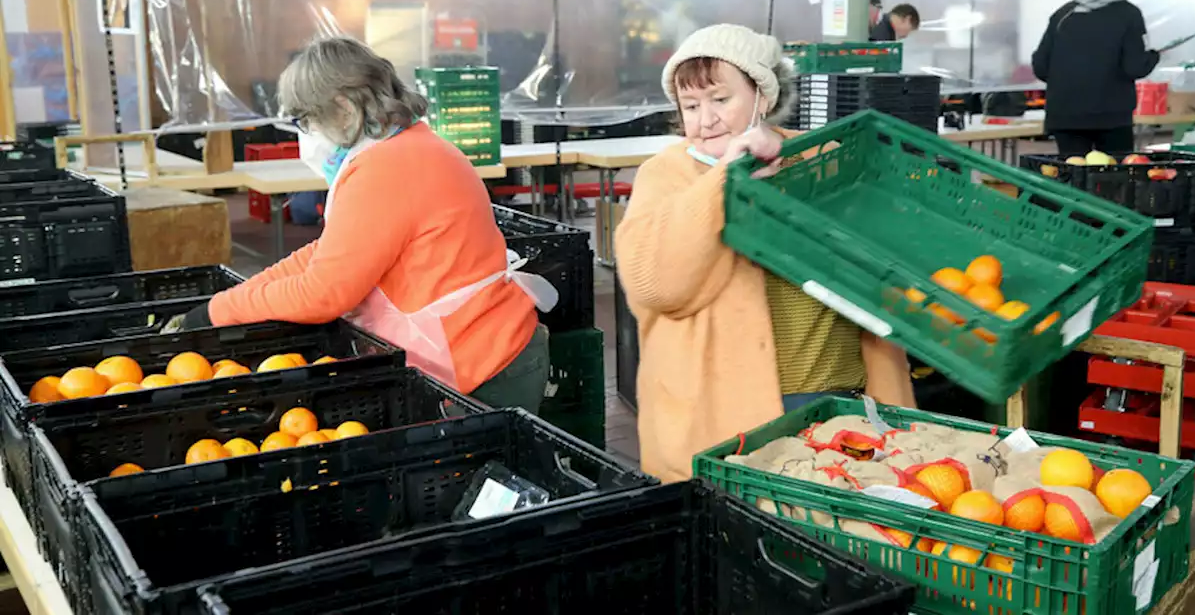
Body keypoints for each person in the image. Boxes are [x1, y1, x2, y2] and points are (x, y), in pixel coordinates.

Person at [169, 36, 555, 413]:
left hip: (482, 368)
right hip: (485, 347)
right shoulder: (405, 148)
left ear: (344, 109)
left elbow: (325, 292)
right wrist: (232, 300)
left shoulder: (387, 168)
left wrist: (217, 313)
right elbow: (327, 254)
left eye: (305, 120)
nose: (305, 135)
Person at [615, 24, 917, 483]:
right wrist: (725, 180)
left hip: (845, 402)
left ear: (761, 95)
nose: (706, 120)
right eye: (691, 106)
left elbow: (880, 258)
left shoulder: (819, 157)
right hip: (731, 419)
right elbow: (657, 285)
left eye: (721, 99)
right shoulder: (667, 176)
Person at [1032, 0, 1159, 156]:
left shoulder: (1062, 15)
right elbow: (1135, 67)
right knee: (1113, 178)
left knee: (1073, 176)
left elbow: (1040, 66)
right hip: (1111, 115)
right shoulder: (1129, 14)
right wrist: (1153, 56)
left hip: (1065, 114)